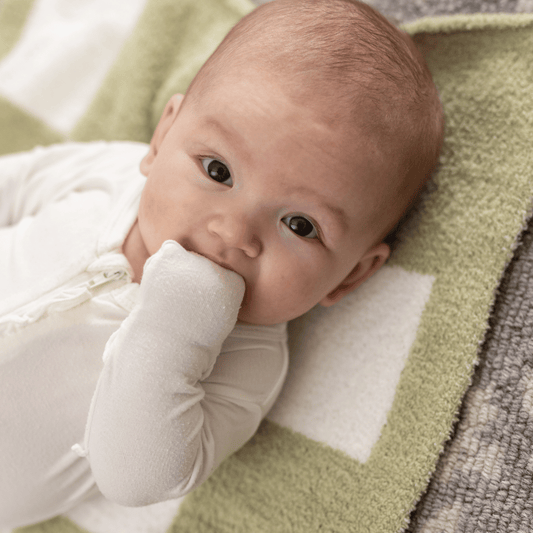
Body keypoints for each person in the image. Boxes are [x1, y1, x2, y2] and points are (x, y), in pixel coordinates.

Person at [0, 0, 444, 527]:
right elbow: (18, 183)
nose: (233, 232)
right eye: (217, 170)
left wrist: (178, 328)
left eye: (300, 225)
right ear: (164, 138)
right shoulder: (112, 174)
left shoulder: (247, 363)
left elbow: (135, 477)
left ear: (351, 274)